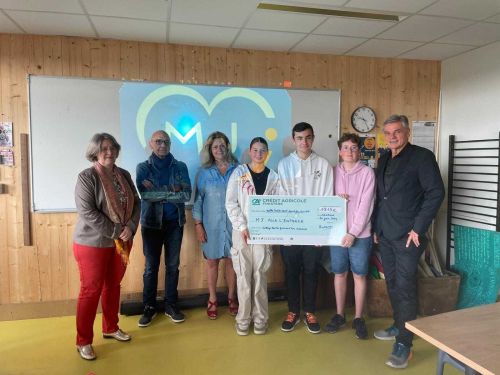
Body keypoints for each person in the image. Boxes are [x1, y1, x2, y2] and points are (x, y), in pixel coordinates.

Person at [373, 115, 444, 369]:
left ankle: (405, 342)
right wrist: (375, 227)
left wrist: (418, 227)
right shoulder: (383, 158)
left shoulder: (422, 157)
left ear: (407, 133)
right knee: (391, 282)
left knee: (404, 286)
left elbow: (436, 192)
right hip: (386, 234)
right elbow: (381, 197)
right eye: (388, 132)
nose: (392, 136)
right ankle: (399, 323)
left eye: (397, 132)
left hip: (408, 236)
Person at [73, 133, 140, 360]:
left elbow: (137, 202)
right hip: (92, 243)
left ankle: (111, 327)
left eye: (112, 147)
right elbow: (88, 212)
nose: (109, 152)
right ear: (95, 151)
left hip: (122, 240)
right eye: (103, 148)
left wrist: (130, 226)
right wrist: (116, 232)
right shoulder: (87, 177)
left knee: (113, 284)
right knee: (91, 290)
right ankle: (83, 340)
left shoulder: (124, 174)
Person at [277, 122, 334, 334]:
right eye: (300, 138)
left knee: (311, 271)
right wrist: (284, 231)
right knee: (291, 271)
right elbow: (281, 198)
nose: (304, 142)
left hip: (314, 232)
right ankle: (292, 311)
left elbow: (327, 197)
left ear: (313, 138)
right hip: (290, 232)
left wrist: (322, 231)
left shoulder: (323, 165)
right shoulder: (284, 165)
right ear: (294, 140)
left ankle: (310, 311)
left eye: (308, 137)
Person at [136, 130, 192, 327]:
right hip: (151, 224)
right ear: (151, 144)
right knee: (151, 268)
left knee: (172, 266)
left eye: (166, 142)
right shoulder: (143, 168)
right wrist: (171, 190)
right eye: (158, 141)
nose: (162, 145)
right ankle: (149, 307)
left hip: (174, 223)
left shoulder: (180, 167)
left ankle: (171, 305)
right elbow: (146, 195)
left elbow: (185, 195)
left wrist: (158, 191)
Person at [226, 137, 280, 335]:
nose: (259, 154)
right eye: (255, 150)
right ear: (250, 151)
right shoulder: (238, 174)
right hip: (242, 233)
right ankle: (243, 318)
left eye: (262, 150)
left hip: (263, 234)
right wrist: (241, 225)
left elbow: (277, 206)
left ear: (267, 152)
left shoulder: (273, 177)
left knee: (259, 275)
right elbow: (231, 203)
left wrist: (274, 229)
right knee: (243, 277)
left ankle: (260, 318)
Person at [324, 133, 375, 340]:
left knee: (360, 275)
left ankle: (358, 317)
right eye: (345, 147)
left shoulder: (367, 174)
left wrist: (353, 232)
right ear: (339, 151)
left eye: (353, 148)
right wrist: (335, 199)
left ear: (359, 151)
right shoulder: (332, 172)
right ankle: (339, 314)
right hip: (337, 234)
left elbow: (366, 205)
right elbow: (324, 200)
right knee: (339, 273)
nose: (350, 151)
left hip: (360, 235)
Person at [193, 132, 239, 319]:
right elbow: (197, 201)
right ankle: (212, 299)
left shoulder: (238, 170)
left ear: (227, 147)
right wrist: (198, 225)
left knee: (231, 261)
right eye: (215, 147)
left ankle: (231, 297)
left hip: (233, 226)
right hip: (210, 226)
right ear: (210, 150)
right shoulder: (203, 173)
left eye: (222, 146)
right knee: (212, 262)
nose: (219, 149)